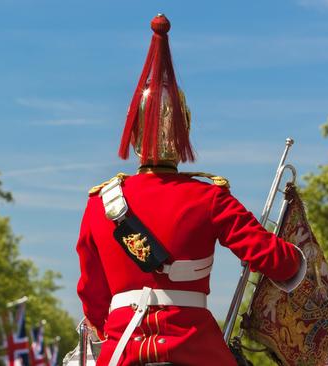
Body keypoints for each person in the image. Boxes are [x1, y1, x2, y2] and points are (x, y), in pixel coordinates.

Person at [75, 14, 306, 366]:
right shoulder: (209, 197)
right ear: (184, 132)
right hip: (196, 350)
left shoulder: (98, 204)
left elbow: (92, 299)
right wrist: (295, 260)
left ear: (134, 134)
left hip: (122, 352)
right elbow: (272, 258)